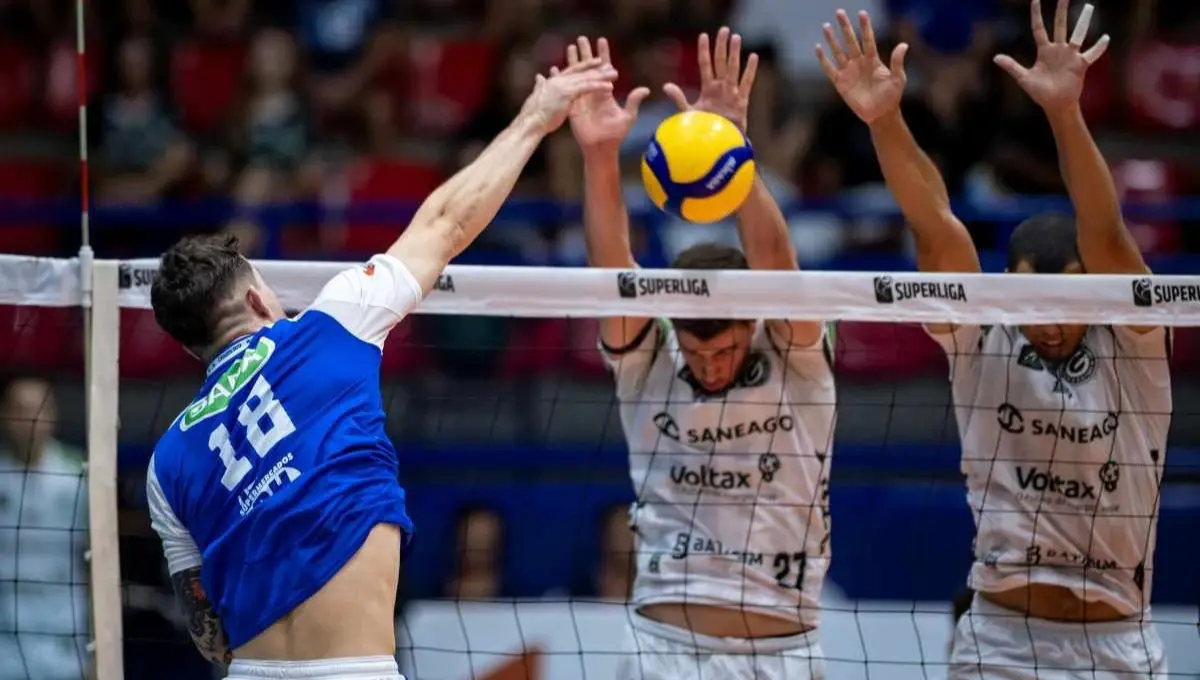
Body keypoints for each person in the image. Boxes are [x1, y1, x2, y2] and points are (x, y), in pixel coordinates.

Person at [144, 58, 618, 680]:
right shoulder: (329, 326)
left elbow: (207, 633)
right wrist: (535, 117)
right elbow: (445, 223)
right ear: (259, 299)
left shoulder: (166, 461)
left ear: (189, 346)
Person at [817, 2, 1170, 677]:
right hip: (1002, 644)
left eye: (1069, 291)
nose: (1050, 315)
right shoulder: (981, 339)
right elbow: (938, 225)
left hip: (1118, 645)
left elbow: (1106, 234)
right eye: (1031, 296)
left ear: (1092, 284)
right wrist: (885, 119)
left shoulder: (1136, 343)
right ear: (1004, 288)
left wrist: (1065, 114)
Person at [565, 31, 835, 679]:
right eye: (697, 349)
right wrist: (601, 156)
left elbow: (779, 269)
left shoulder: (796, 354)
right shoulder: (650, 356)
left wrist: (730, 153)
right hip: (664, 648)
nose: (710, 364)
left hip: (782, 651)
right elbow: (613, 272)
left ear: (754, 323)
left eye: (724, 348)